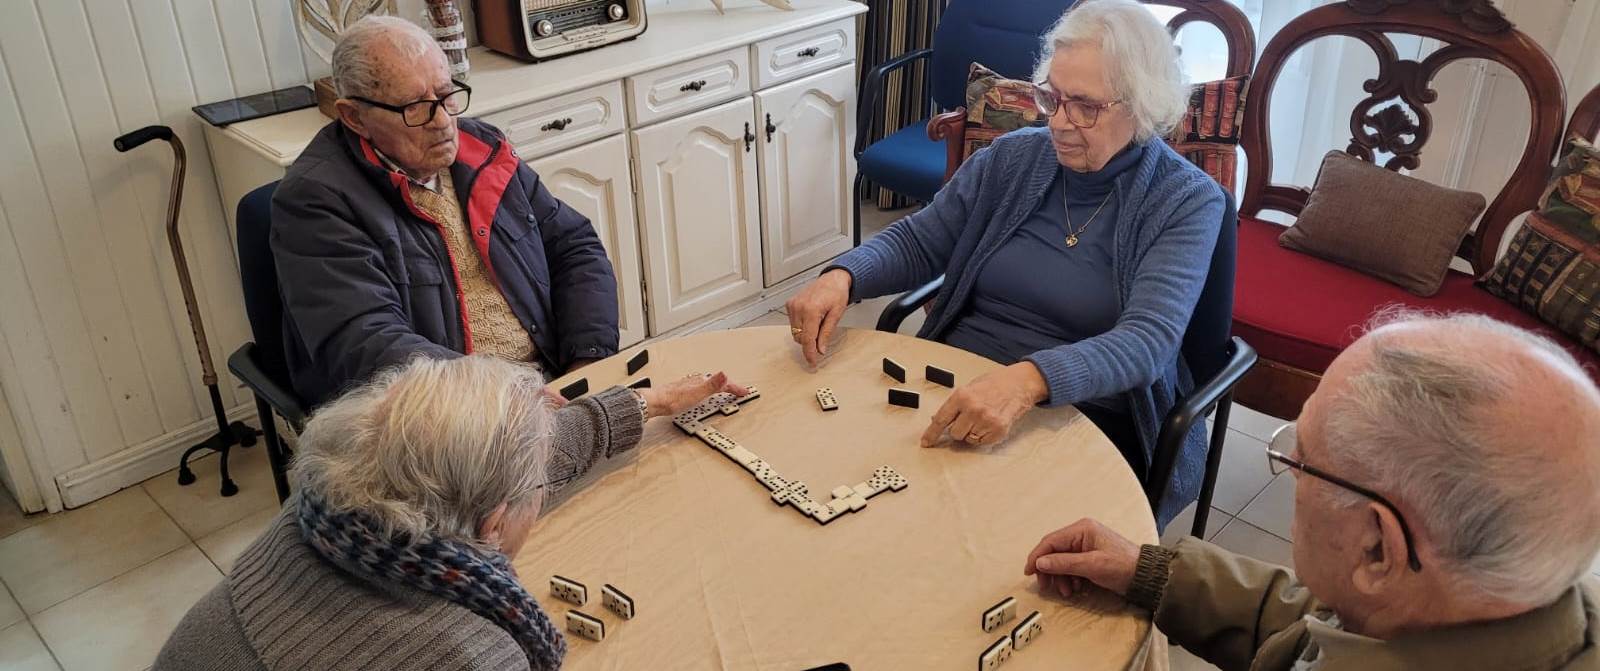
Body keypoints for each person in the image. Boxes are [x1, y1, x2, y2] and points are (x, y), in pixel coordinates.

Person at [786, 0, 1224, 524]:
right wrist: (843, 276)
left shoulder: (1185, 200)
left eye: (1084, 107)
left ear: (1142, 105)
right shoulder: (1013, 157)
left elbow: (1147, 343)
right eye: (1051, 97)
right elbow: (920, 242)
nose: (1058, 122)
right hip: (958, 379)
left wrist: (1027, 382)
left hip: (1087, 411)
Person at [1022, 312, 1600, 669]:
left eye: (1304, 460)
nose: (1292, 470)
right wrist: (1147, 572)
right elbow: (1318, 624)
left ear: (1378, 549)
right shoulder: (1484, 612)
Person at [155, 356, 748, 670]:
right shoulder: (472, 654)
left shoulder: (319, 514)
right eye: (536, 487)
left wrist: (652, 401)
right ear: (493, 526)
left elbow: (510, 459)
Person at [272, 16, 621, 407]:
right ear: (354, 117)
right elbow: (365, 343)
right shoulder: (315, 200)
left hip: (550, 383)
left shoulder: (482, 149)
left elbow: (574, 247)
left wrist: (587, 361)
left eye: (446, 95)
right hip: (442, 416)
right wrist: (508, 402)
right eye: (415, 108)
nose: (443, 122)